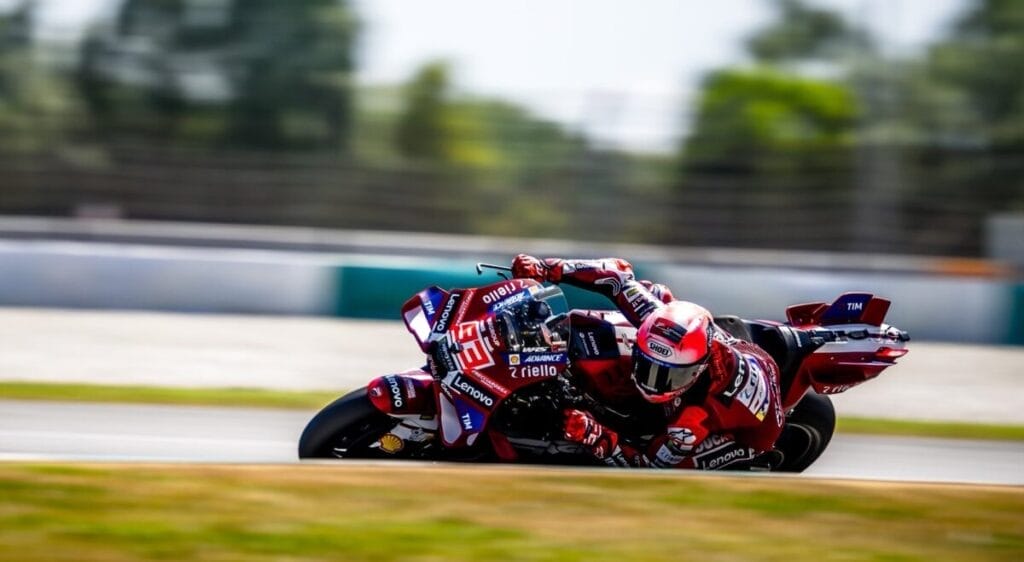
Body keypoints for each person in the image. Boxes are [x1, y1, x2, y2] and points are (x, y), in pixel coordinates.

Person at [511, 254, 785, 470]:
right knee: (657, 292)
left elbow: (650, 466)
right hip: (731, 346)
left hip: (756, 429)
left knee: (685, 464)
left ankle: (746, 460)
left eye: (666, 376)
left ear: (696, 371)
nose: (651, 383)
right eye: (648, 365)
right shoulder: (655, 317)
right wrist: (547, 269)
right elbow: (615, 274)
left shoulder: (692, 419)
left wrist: (597, 436)